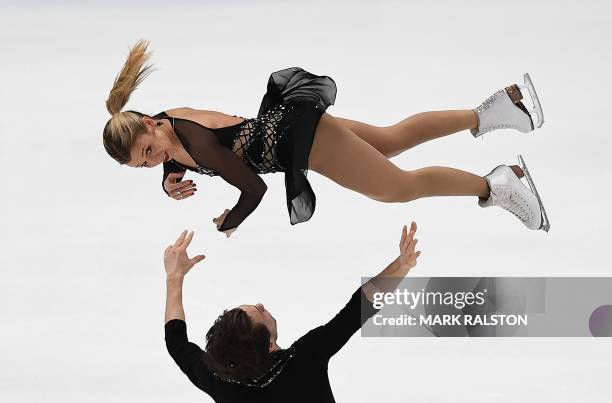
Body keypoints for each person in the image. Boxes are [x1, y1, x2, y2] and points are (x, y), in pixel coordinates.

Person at [103, 40, 549, 237]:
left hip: (306, 142)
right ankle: (500, 107)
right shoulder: (166, 124)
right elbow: (171, 154)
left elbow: (253, 188)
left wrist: (230, 221)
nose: (154, 159)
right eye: (143, 165)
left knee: (400, 188)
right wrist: (167, 175)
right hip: (295, 128)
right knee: (392, 138)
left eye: (148, 151)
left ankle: (499, 184)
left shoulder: (193, 142)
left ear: (146, 123)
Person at [163, 223, 420, 403]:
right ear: (268, 345)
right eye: (258, 311)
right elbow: (357, 310)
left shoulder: (219, 379)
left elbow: (176, 343)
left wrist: (174, 278)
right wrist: (401, 267)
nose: (261, 305)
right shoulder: (304, 360)